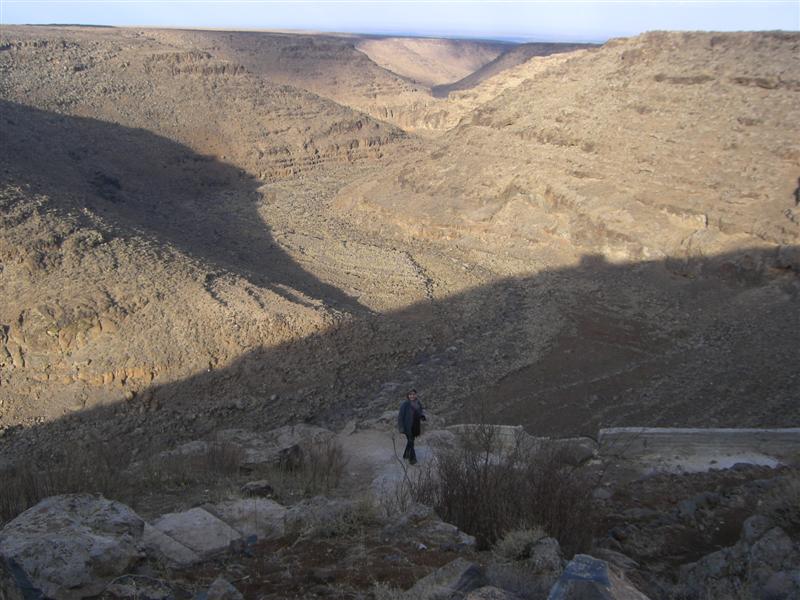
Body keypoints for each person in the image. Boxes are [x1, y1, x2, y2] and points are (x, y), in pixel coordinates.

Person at [398, 389, 426, 465]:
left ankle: (405, 455)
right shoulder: (405, 404)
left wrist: (422, 416)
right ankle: (412, 460)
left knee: (411, 441)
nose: (412, 396)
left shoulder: (418, 403)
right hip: (407, 427)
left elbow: (420, 412)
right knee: (411, 442)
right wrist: (401, 428)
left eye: (413, 394)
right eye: (410, 394)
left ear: (416, 395)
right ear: (408, 396)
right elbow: (400, 416)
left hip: (415, 426)